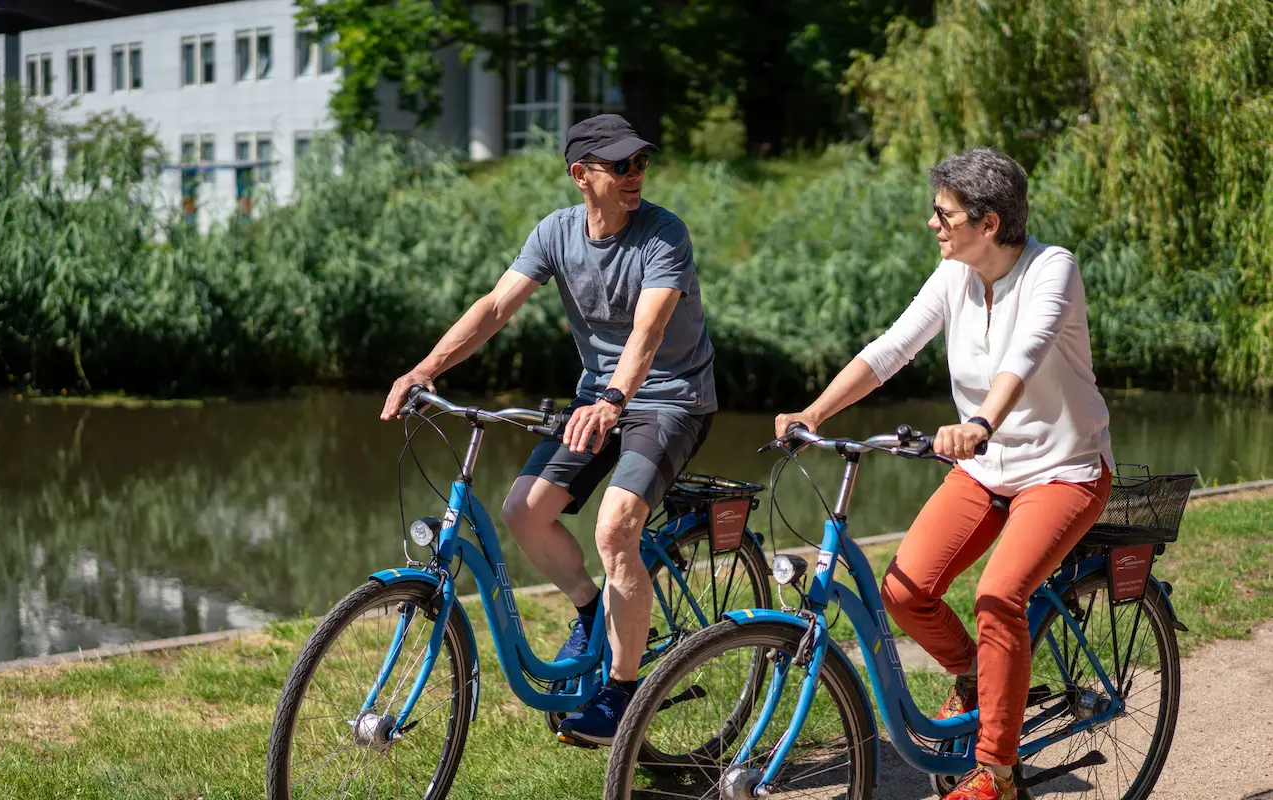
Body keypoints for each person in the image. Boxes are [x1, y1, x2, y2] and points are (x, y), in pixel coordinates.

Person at [776, 148, 1114, 800]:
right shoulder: (954, 274)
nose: (933, 224)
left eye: (944, 214)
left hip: (1063, 471)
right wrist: (812, 412)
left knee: (998, 597)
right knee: (905, 591)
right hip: (986, 469)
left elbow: (1027, 351)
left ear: (988, 223)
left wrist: (982, 422)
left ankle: (996, 772)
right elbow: (891, 349)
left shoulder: (1053, 269)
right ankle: (979, 678)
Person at [380, 114, 717, 746]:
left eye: (641, 162)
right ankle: (593, 612)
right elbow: (494, 307)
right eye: (620, 166)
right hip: (598, 400)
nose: (635, 175)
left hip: (672, 399)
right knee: (523, 511)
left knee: (616, 525)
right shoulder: (555, 232)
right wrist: (425, 369)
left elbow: (647, 333)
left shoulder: (663, 234)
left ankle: (621, 693)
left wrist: (616, 398)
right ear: (580, 175)